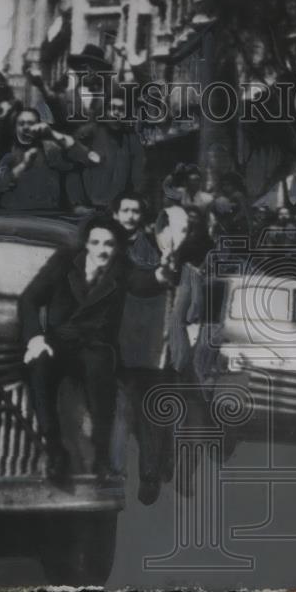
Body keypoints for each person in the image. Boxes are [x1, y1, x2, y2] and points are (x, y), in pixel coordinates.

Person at [19, 215, 169, 490]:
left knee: (101, 373)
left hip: (95, 346)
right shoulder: (64, 261)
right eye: (96, 242)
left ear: (117, 248)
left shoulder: (121, 268)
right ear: (86, 244)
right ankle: (54, 451)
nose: (102, 250)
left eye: (109, 244)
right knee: (38, 368)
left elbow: (143, 282)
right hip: (58, 342)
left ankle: (100, 457)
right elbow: (29, 299)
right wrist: (35, 338)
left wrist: (161, 274)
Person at [112, 193, 177, 505]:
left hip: (144, 346)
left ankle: (150, 475)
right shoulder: (103, 243)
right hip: (111, 341)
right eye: (125, 210)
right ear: (115, 214)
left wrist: (160, 273)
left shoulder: (149, 249)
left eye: (135, 211)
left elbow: (146, 280)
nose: (130, 216)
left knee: (147, 413)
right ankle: (112, 474)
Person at [0, 108, 101, 210]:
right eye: (21, 124)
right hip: (16, 218)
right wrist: (22, 166)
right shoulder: (8, 153)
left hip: (48, 217)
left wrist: (52, 134)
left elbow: (91, 159)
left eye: (30, 123)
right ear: (15, 128)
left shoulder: (51, 150)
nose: (26, 127)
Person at [65, 94, 147, 210]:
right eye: (112, 108)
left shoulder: (131, 138)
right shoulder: (89, 132)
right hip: (90, 204)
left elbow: (138, 172)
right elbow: (70, 155)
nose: (116, 112)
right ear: (105, 110)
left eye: (121, 109)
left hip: (119, 206)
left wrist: (136, 197)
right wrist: (87, 155)